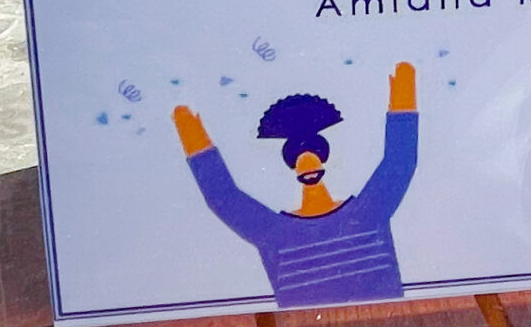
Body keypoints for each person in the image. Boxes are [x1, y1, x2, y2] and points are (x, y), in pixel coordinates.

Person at [173, 63, 419, 307]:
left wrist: (404, 87)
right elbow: (224, 198)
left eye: (315, 152)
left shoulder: (367, 214)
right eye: (296, 155)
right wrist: (190, 131)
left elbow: (399, 162)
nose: (307, 164)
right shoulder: (277, 233)